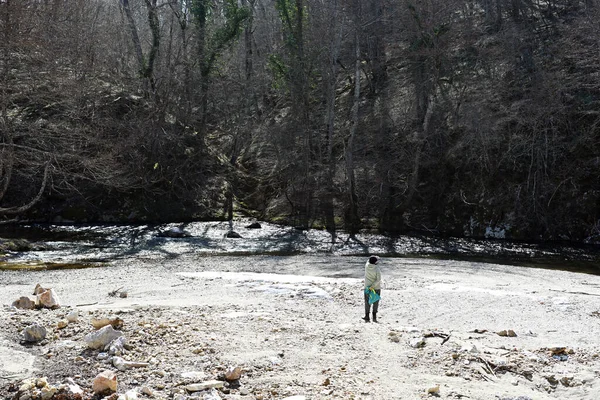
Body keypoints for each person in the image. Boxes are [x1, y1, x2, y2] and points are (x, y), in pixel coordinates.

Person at [363, 255, 382, 323]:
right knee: (375, 302)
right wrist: (373, 286)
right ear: (375, 262)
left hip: (367, 287)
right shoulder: (377, 269)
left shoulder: (367, 266)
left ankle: (367, 316)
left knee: (367, 302)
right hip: (376, 287)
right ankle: (374, 317)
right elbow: (378, 279)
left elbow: (368, 260)